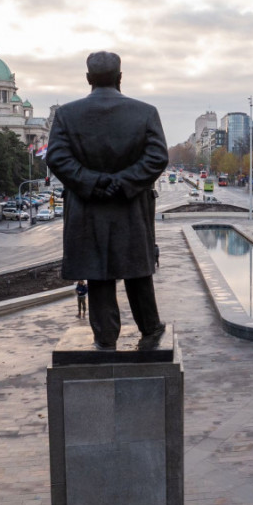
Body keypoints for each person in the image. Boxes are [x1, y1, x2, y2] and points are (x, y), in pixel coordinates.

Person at [46, 51, 169, 350]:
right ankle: (150, 329)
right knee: (138, 271)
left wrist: (94, 182)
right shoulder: (146, 112)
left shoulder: (66, 114)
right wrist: (122, 183)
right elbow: (157, 158)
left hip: (88, 209)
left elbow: (58, 158)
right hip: (132, 208)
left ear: (88, 79)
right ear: (120, 78)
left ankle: (105, 338)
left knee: (98, 273)